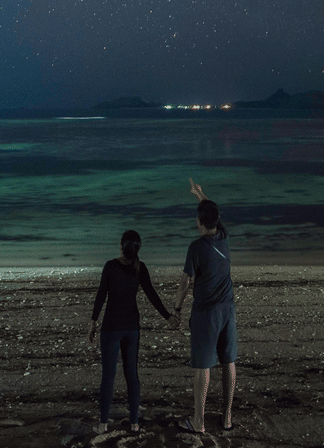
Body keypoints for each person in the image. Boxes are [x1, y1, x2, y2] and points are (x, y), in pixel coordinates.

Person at [88, 229, 172, 433]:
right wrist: (168, 316)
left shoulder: (110, 266)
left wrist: (93, 321)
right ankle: (134, 423)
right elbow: (151, 294)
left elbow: (101, 295)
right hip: (132, 328)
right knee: (132, 375)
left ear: (120, 246)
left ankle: (103, 424)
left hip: (112, 327)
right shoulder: (140, 268)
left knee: (108, 376)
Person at [170, 178, 235, 434]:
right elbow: (213, 215)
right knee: (229, 362)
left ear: (199, 222)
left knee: (202, 366)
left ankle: (199, 421)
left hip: (206, 313)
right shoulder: (224, 238)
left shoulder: (196, 248)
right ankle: (227, 417)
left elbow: (185, 283)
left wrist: (176, 310)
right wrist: (199, 195)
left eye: (197, 219)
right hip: (228, 310)